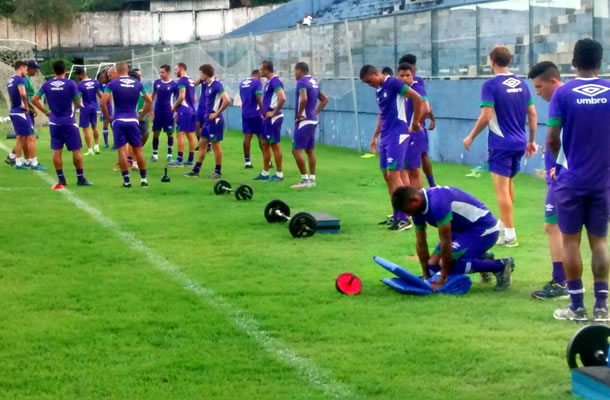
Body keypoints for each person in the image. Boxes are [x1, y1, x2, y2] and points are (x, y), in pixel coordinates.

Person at [546, 39, 610, 322]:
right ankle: (602, 307)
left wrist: (561, 161)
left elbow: (551, 138)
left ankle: (576, 307)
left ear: (573, 61)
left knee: (570, 242)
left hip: (571, 179)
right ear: (600, 61)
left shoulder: (563, 94)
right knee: (600, 242)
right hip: (602, 180)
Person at [463, 46, 538, 247]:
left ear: (492, 61)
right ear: (509, 60)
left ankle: (511, 235)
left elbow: (486, 116)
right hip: (519, 142)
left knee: (501, 190)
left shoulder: (491, 85)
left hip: (500, 143)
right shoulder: (522, 84)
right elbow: (532, 113)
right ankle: (503, 228)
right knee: (509, 185)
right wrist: (531, 140)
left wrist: (471, 136)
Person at [392, 186, 515, 290]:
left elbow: (446, 240)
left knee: (445, 264)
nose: (408, 215)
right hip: (462, 233)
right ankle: (480, 258)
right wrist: (426, 275)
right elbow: (421, 242)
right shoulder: (417, 209)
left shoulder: (437, 202)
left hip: (484, 230)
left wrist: (443, 278)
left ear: (414, 200)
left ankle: (500, 266)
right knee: (433, 265)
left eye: (407, 210)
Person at [360, 64, 423, 232]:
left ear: (375, 73)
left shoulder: (394, 83)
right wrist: (375, 137)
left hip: (398, 134)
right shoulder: (379, 91)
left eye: (369, 81)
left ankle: (405, 217)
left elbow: (417, 98)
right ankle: (397, 214)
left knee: (394, 175)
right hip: (386, 136)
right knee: (387, 177)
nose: (369, 84)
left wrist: (415, 122)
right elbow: (382, 115)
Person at [527, 61, 568, 301]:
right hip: (567, 174)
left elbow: (563, 140)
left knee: (553, 226)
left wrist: (559, 167)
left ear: (553, 81)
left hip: (564, 176)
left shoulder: (562, 99)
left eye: (540, 86)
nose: (538, 92)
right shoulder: (565, 99)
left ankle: (561, 281)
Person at [31, 60, 92, 186]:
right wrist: (75, 109)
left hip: (54, 122)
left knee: (57, 150)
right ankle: (80, 178)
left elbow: (34, 99)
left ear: (54, 71)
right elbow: (77, 100)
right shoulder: (70, 84)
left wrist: (46, 112)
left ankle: (61, 178)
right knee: (76, 150)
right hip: (69, 121)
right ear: (65, 70)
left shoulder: (47, 84)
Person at [100, 62, 152, 188]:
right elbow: (149, 101)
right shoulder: (138, 84)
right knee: (138, 150)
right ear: (127, 70)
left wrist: (108, 118)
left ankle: (127, 181)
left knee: (122, 151)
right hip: (133, 120)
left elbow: (102, 103)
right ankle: (144, 180)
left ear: (117, 71)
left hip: (118, 120)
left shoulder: (112, 84)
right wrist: (140, 116)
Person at [398, 54, 437, 187]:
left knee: (416, 164)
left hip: (415, 127)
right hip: (414, 126)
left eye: (407, 74)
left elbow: (424, 104)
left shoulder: (417, 83)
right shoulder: (401, 85)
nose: (405, 77)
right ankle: (430, 187)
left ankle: (430, 187)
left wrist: (417, 123)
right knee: (415, 160)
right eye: (402, 75)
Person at [184, 64, 230, 179]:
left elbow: (227, 100)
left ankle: (218, 171)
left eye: (201, 73)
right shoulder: (207, 85)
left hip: (215, 121)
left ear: (205, 73)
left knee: (215, 146)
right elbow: (195, 83)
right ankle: (196, 170)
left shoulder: (216, 85)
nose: (199, 75)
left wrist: (217, 113)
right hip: (207, 120)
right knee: (202, 144)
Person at [291, 62, 328, 188]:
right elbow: (325, 99)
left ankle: (305, 180)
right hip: (312, 120)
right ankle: (312, 180)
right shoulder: (313, 82)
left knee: (296, 150)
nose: (294, 74)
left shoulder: (301, 82)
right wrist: (315, 112)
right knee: (310, 150)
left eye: (294, 71)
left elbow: (304, 98)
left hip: (304, 121)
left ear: (299, 71)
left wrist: (299, 115)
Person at [6, 60, 45, 171]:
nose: (26, 71)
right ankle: (33, 163)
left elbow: (12, 96)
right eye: (26, 69)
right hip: (21, 111)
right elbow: (23, 94)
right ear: (22, 67)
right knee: (31, 137)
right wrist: (27, 107)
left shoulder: (11, 80)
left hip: (14, 110)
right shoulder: (20, 79)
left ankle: (18, 162)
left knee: (20, 138)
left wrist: (31, 107)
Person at [254, 60, 286, 182]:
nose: (260, 71)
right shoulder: (268, 82)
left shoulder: (275, 81)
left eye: (261, 69)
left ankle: (279, 174)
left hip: (273, 118)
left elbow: (282, 97)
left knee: (275, 145)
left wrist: (274, 112)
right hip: (267, 118)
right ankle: (265, 172)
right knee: (264, 144)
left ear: (266, 70)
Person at [168, 63, 196, 168]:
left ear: (181, 69)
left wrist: (174, 107)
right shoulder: (191, 81)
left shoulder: (182, 81)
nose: (175, 72)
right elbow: (194, 98)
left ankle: (179, 160)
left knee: (180, 134)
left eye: (176, 70)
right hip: (192, 110)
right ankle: (190, 160)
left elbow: (182, 96)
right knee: (190, 135)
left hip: (184, 111)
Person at [150, 64, 176, 162]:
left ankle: (169, 155)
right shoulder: (156, 83)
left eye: (163, 72)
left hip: (168, 113)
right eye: (160, 72)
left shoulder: (174, 85)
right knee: (156, 133)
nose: (160, 74)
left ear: (168, 72)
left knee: (170, 134)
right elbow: (152, 96)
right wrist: (149, 108)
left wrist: (175, 110)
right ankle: (155, 154)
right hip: (157, 112)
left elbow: (177, 99)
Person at [240, 69, 264, 169]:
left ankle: (247, 162)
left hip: (245, 112)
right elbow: (258, 97)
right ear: (258, 75)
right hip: (256, 113)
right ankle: (267, 160)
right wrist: (263, 110)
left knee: (247, 137)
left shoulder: (242, 83)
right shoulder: (257, 82)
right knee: (261, 137)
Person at [75, 67, 102, 156]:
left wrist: (75, 107)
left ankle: (90, 149)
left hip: (85, 107)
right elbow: (100, 95)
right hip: (94, 107)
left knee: (85, 129)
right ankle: (97, 146)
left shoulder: (80, 85)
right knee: (94, 127)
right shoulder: (95, 82)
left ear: (79, 75)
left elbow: (78, 98)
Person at [97, 68, 113, 149]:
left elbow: (110, 96)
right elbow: (99, 93)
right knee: (105, 124)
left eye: (103, 77)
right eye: (100, 78)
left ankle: (116, 143)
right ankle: (106, 143)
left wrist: (111, 105)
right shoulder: (100, 84)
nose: (101, 79)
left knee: (113, 124)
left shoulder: (110, 84)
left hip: (109, 106)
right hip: (104, 105)